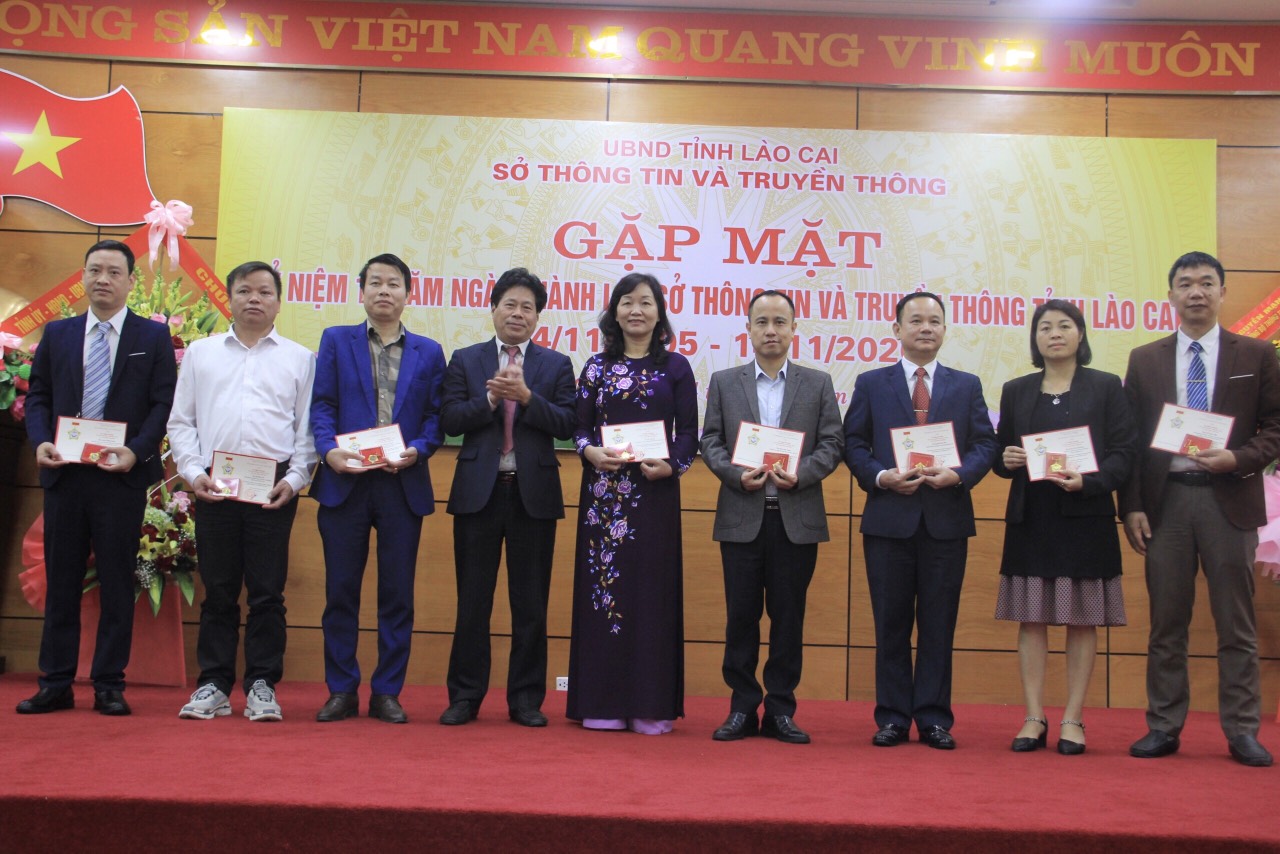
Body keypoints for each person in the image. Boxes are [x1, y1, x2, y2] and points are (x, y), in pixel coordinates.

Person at [1121, 251, 1280, 768]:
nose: (1196, 292)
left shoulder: (1256, 354)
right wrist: (1132, 507)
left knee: (1236, 624)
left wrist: (1238, 458)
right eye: (1186, 283)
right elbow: (1130, 440)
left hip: (1228, 500)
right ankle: (1164, 725)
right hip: (1166, 504)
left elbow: (1276, 427)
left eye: (1207, 283)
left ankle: (1242, 731)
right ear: (1170, 295)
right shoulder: (1145, 359)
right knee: (1167, 623)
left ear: (1222, 292)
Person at [18, 239, 177, 716]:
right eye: (94, 270)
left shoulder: (152, 337)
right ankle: (56, 682)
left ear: (130, 280)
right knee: (62, 582)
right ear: (83, 276)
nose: (102, 279)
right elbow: (39, 395)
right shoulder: (59, 333)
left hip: (120, 478)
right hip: (65, 475)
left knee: (116, 581)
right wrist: (40, 440)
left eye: (113, 272)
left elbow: (162, 405)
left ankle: (109, 683)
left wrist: (136, 451)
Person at [843, 291, 998, 749]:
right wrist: (881, 476)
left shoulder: (966, 385)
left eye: (934, 320)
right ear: (897, 329)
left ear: (945, 329)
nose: (926, 327)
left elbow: (985, 445)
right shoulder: (871, 383)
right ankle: (892, 716)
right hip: (888, 521)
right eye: (916, 320)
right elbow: (853, 443)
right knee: (890, 624)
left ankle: (933, 718)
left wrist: (959, 475)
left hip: (945, 522)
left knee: (938, 624)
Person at [168, 261, 317, 722]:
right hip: (214, 483)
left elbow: (306, 431)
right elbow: (181, 422)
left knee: (268, 592)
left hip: (273, 487)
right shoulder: (201, 353)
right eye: (245, 290)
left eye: (265, 292)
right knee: (218, 589)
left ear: (279, 302)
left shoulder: (300, 358)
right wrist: (193, 473)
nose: (255, 298)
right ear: (229, 298)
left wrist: (295, 480)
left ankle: (262, 685)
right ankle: (214, 683)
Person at [699, 290, 844, 744]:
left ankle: (781, 709)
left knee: (788, 618)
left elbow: (833, 443)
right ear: (748, 329)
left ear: (794, 329)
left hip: (794, 519)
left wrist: (801, 474)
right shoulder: (725, 382)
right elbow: (710, 441)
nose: (771, 330)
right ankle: (742, 707)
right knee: (741, 618)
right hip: (742, 516)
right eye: (761, 322)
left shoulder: (818, 383)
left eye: (780, 322)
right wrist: (733, 474)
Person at [993, 299, 1136, 755]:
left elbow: (1124, 453)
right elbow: (1001, 454)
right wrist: (1006, 458)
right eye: (1045, 327)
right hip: (1032, 518)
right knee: (1032, 619)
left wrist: (1089, 482)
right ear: (1035, 339)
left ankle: (1073, 718)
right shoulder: (1016, 390)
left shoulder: (1106, 386)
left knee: (1082, 620)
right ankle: (1034, 716)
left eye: (1064, 325)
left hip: (1085, 517)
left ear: (1080, 334)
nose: (1054, 333)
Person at [310, 253, 446, 724]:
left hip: (400, 485)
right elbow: (322, 405)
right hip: (344, 483)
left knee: (397, 595)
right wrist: (328, 451)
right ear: (361, 290)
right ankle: (341, 690)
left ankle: (388, 691)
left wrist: (420, 450)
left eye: (393, 284)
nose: (384, 291)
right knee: (340, 593)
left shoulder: (429, 351)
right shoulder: (336, 340)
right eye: (375, 283)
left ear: (408, 294)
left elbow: (436, 417)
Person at [438, 268, 576, 727]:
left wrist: (527, 397)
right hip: (478, 493)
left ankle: (526, 700)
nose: (518, 313)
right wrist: (492, 401)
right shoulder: (466, 359)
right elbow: (450, 419)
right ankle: (465, 696)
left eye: (527, 307)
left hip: (532, 495)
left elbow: (568, 423)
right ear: (493, 308)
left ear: (538, 316)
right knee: (472, 601)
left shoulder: (556, 365)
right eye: (510, 305)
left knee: (530, 604)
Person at [566, 272, 698, 734]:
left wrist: (673, 466)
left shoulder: (677, 367)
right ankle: (602, 703)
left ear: (659, 313)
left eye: (645, 302)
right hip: (604, 500)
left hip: (655, 495)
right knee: (604, 595)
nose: (636, 310)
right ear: (614, 312)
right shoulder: (595, 367)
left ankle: (650, 705)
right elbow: (579, 428)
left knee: (650, 596)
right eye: (626, 302)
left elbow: (689, 434)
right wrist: (589, 452)